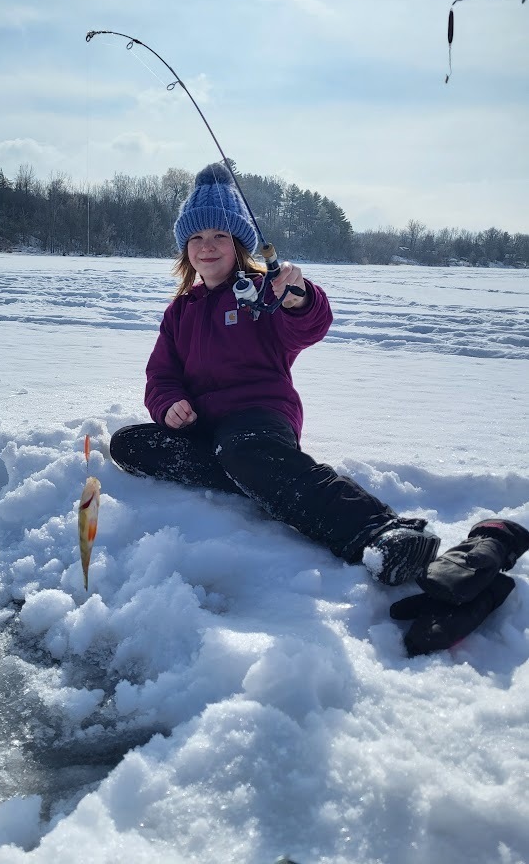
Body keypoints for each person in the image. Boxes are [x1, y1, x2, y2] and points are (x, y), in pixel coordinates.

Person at [109, 163, 527, 652]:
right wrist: (170, 404)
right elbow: (160, 374)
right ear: (185, 248)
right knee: (129, 444)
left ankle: (381, 531)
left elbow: (307, 324)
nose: (207, 245)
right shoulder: (180, 309)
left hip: (258, 415)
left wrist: (298, 297)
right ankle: (266, 480)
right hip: (204, 427)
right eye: (196, 235)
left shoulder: (262, 291)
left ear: (240, 242)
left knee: (245, 452)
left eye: (220, 233)